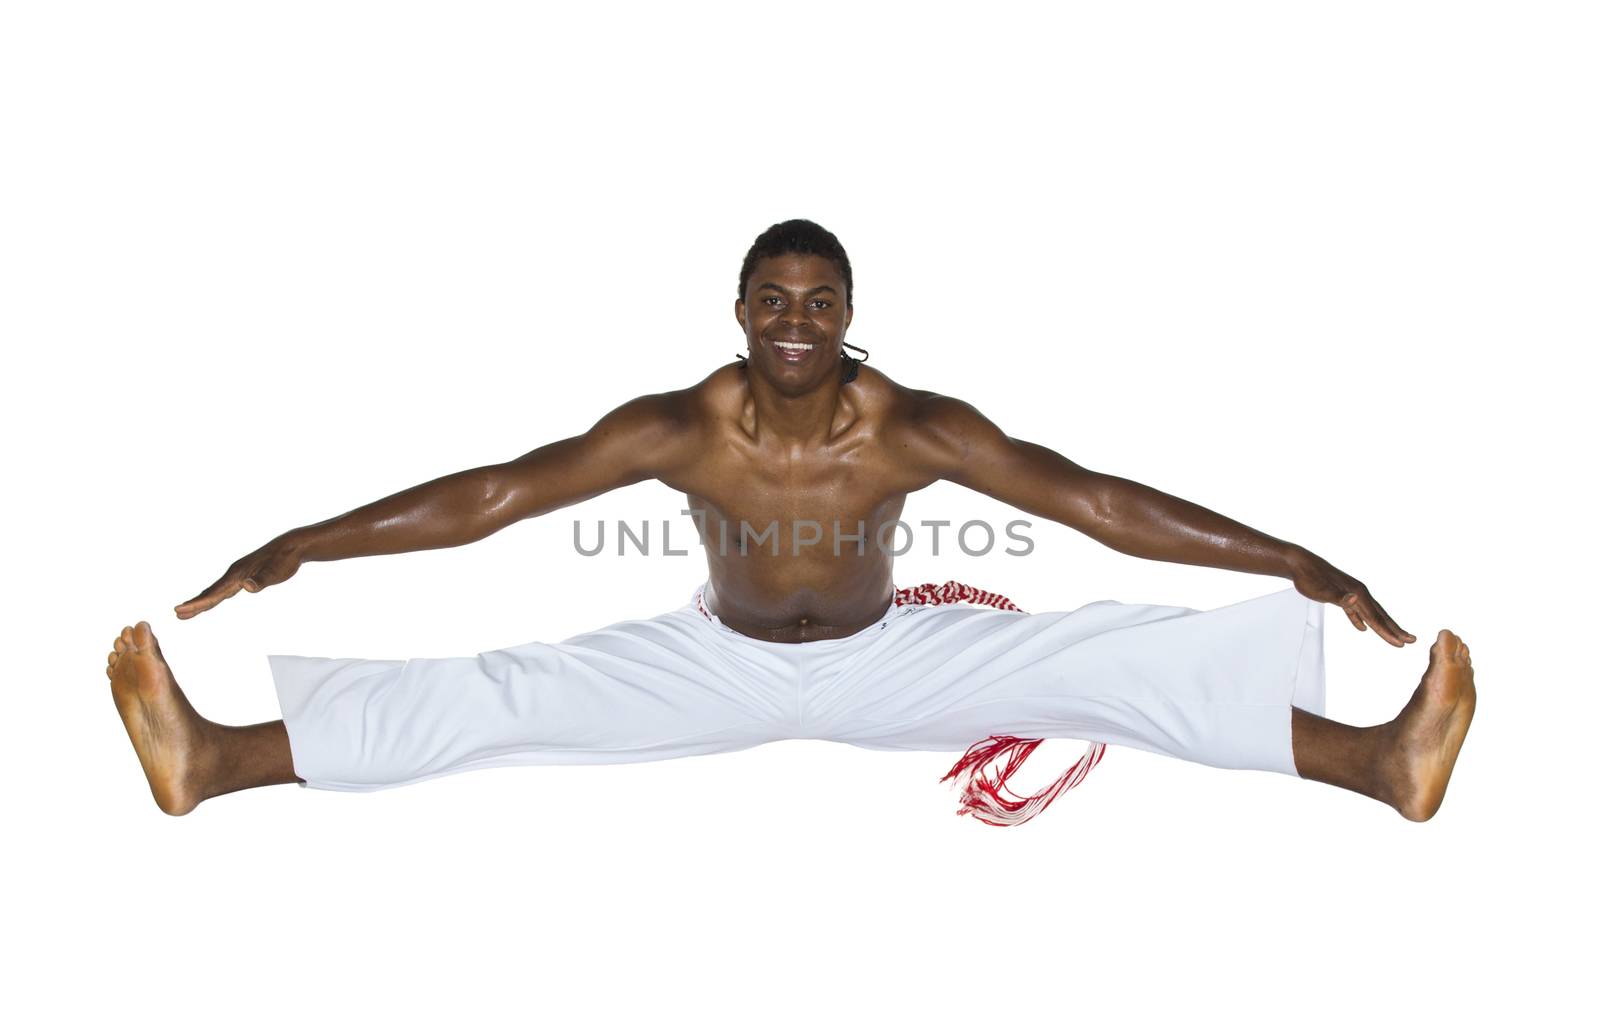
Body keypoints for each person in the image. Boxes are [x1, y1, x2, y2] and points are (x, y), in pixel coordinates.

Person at [105, 220, 1475, 822]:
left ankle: (1379, 766)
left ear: (851, 318)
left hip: (895, 659)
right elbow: (496, 494)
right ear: (739, 313)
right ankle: (212, 763)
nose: (797, 323)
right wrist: (304, 543)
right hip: (715, 662)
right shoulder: (687, 427)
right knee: (502, 696)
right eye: (775, 299)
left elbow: (1099, 500)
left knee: (1117, 659)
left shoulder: (915, 427)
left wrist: (1292, 557)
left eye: (822, 302)